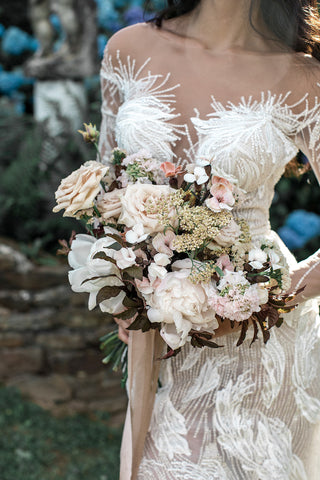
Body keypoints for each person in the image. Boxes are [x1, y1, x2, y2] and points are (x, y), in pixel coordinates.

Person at [98, 1, 320, 478]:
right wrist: (121, 284)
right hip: (155, 325)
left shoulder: (303, 78)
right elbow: (108, 191)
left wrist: (267, 298)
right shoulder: (128, 49)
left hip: (258, 334)